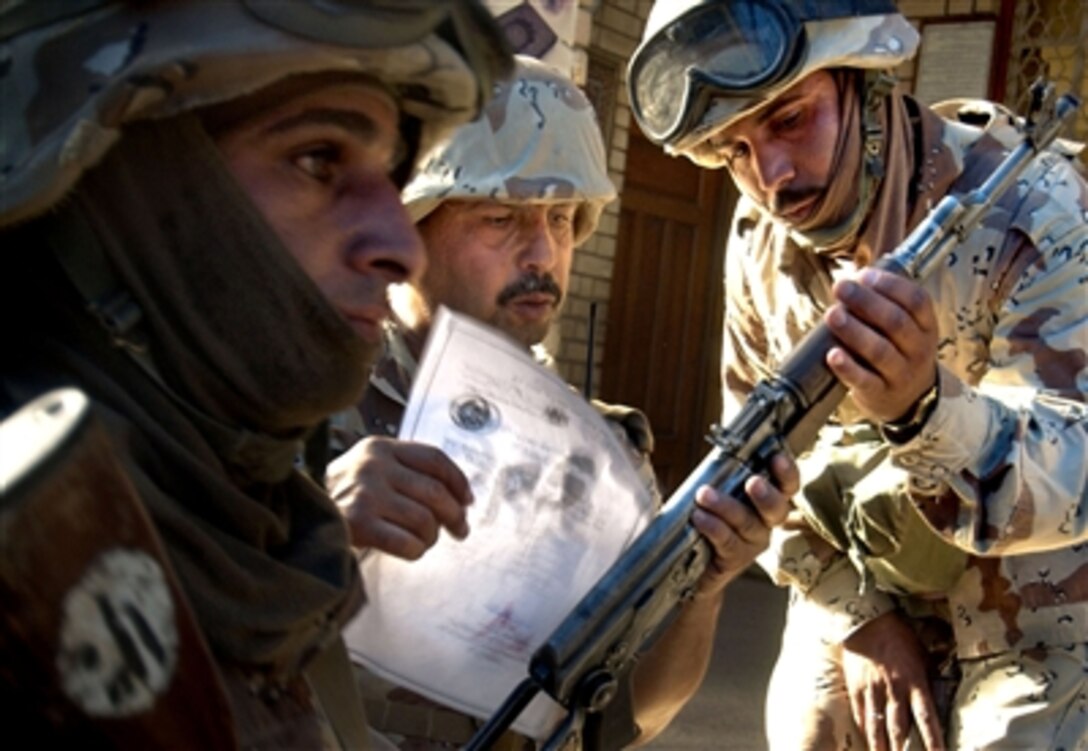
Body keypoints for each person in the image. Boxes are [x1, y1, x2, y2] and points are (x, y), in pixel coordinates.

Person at [0, 0, 515, 747]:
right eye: (317, 158)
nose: (404, 246)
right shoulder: (39, 583)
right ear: (115, 193)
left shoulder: (257, 545)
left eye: (389, 174)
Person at [627, 1, 1087, 750]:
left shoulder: (1031, 210)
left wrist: (923, 412)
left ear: (867, 87)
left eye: (789, 120)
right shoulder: (761, 245)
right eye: (734, 149)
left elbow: (1079, 465)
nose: (770, 177)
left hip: (1039, 603)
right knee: (809, 731)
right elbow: (759, 466)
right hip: (864, 577)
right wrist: (858, 617)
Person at [324, 55, 794, 748]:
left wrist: (707, 584)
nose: (544, 250)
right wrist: (319, 527)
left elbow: (634, 715)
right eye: (501, 217)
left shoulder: (602, 456)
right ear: (410, 225)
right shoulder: (300, 418)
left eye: (564, 216)